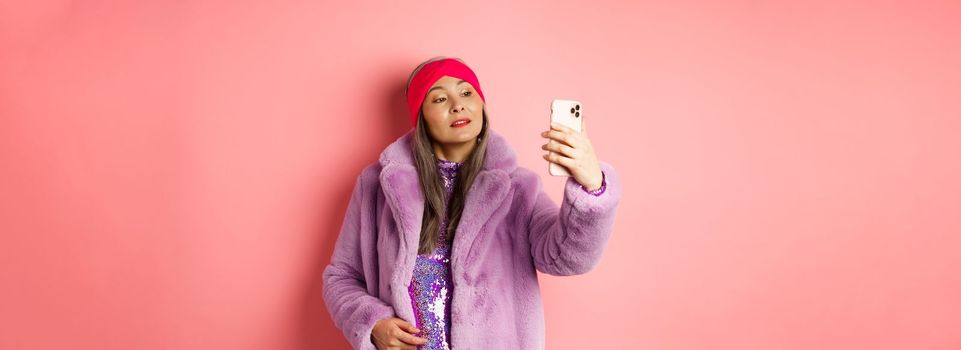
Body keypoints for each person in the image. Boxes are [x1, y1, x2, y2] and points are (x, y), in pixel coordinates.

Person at [322, 56, 622, 349]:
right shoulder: (378, 185)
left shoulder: (517, 188)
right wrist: (373, 324)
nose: (458, 105)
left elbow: (565, 258)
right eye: (439, 99)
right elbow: (341, 277)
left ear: (481, 105)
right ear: (420, 115)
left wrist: (591, 185)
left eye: (467, 92)